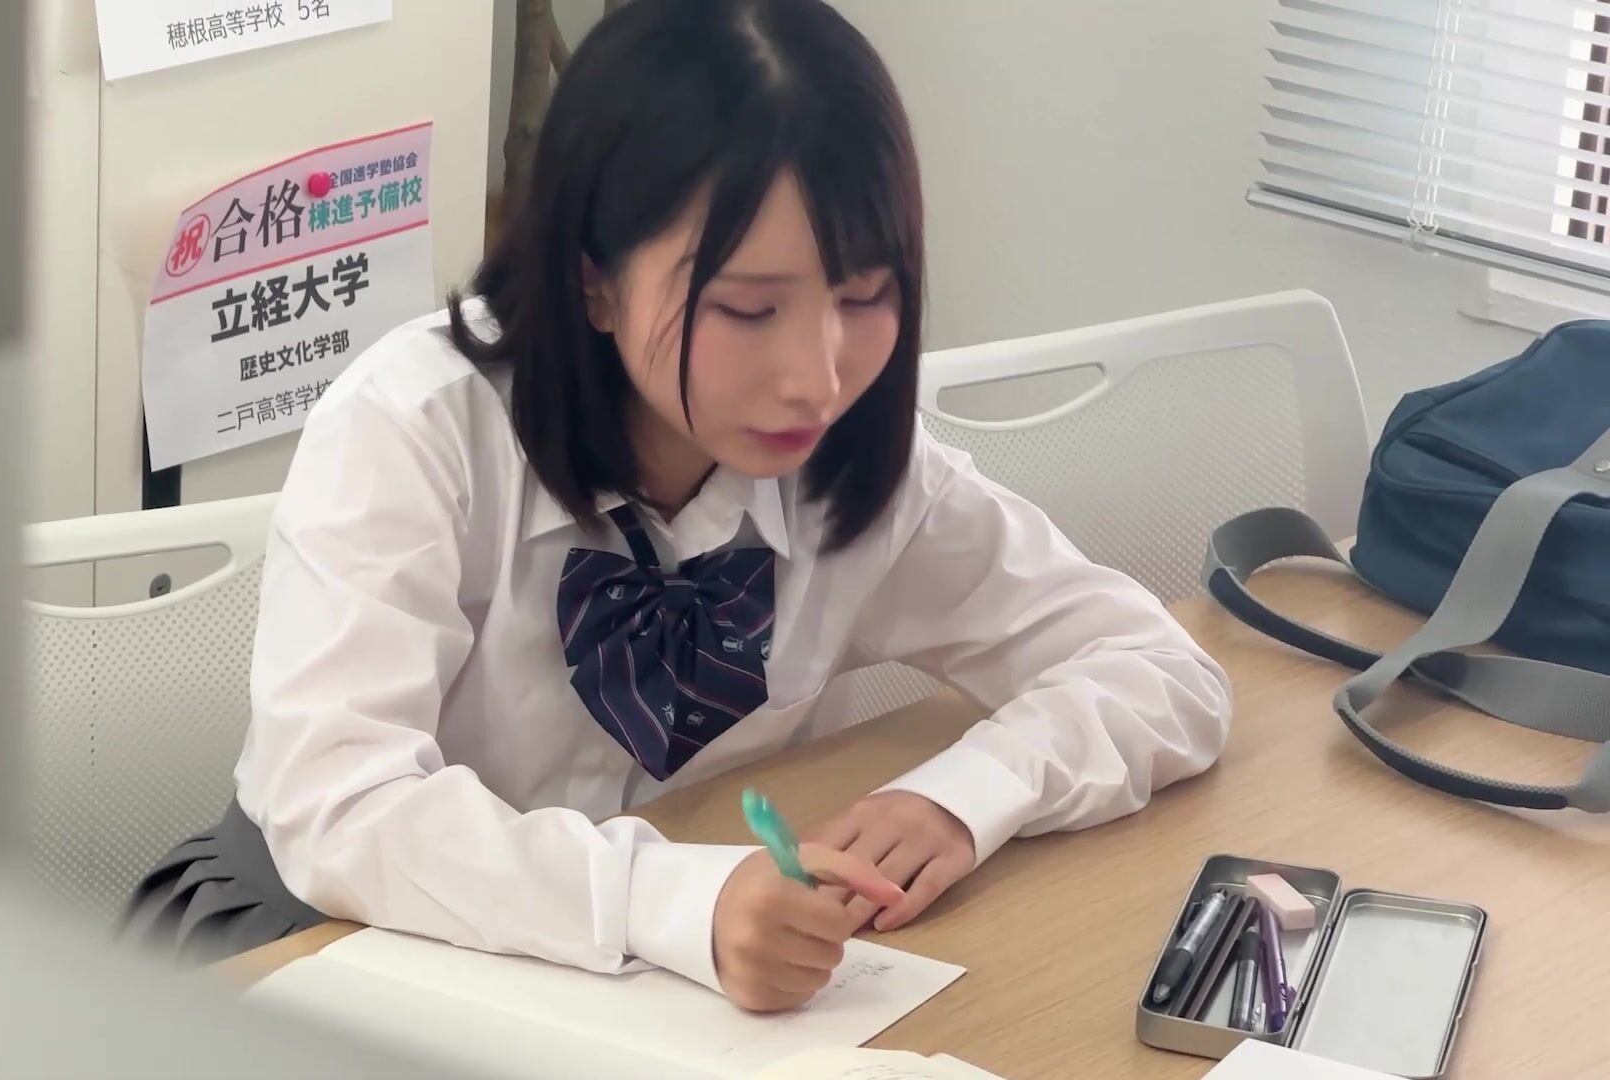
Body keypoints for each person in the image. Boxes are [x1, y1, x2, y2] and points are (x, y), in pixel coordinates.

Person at [124, 0, 1232, 1014]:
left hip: (642, 993)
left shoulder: (860, 471)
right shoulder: (415, 428)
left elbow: (1163, 672)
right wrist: (673, 902)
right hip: (318, 946)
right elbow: (338, 806)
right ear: (593, 278)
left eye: (865, 296)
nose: (818, 376)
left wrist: (964, 795)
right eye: (749, 310)